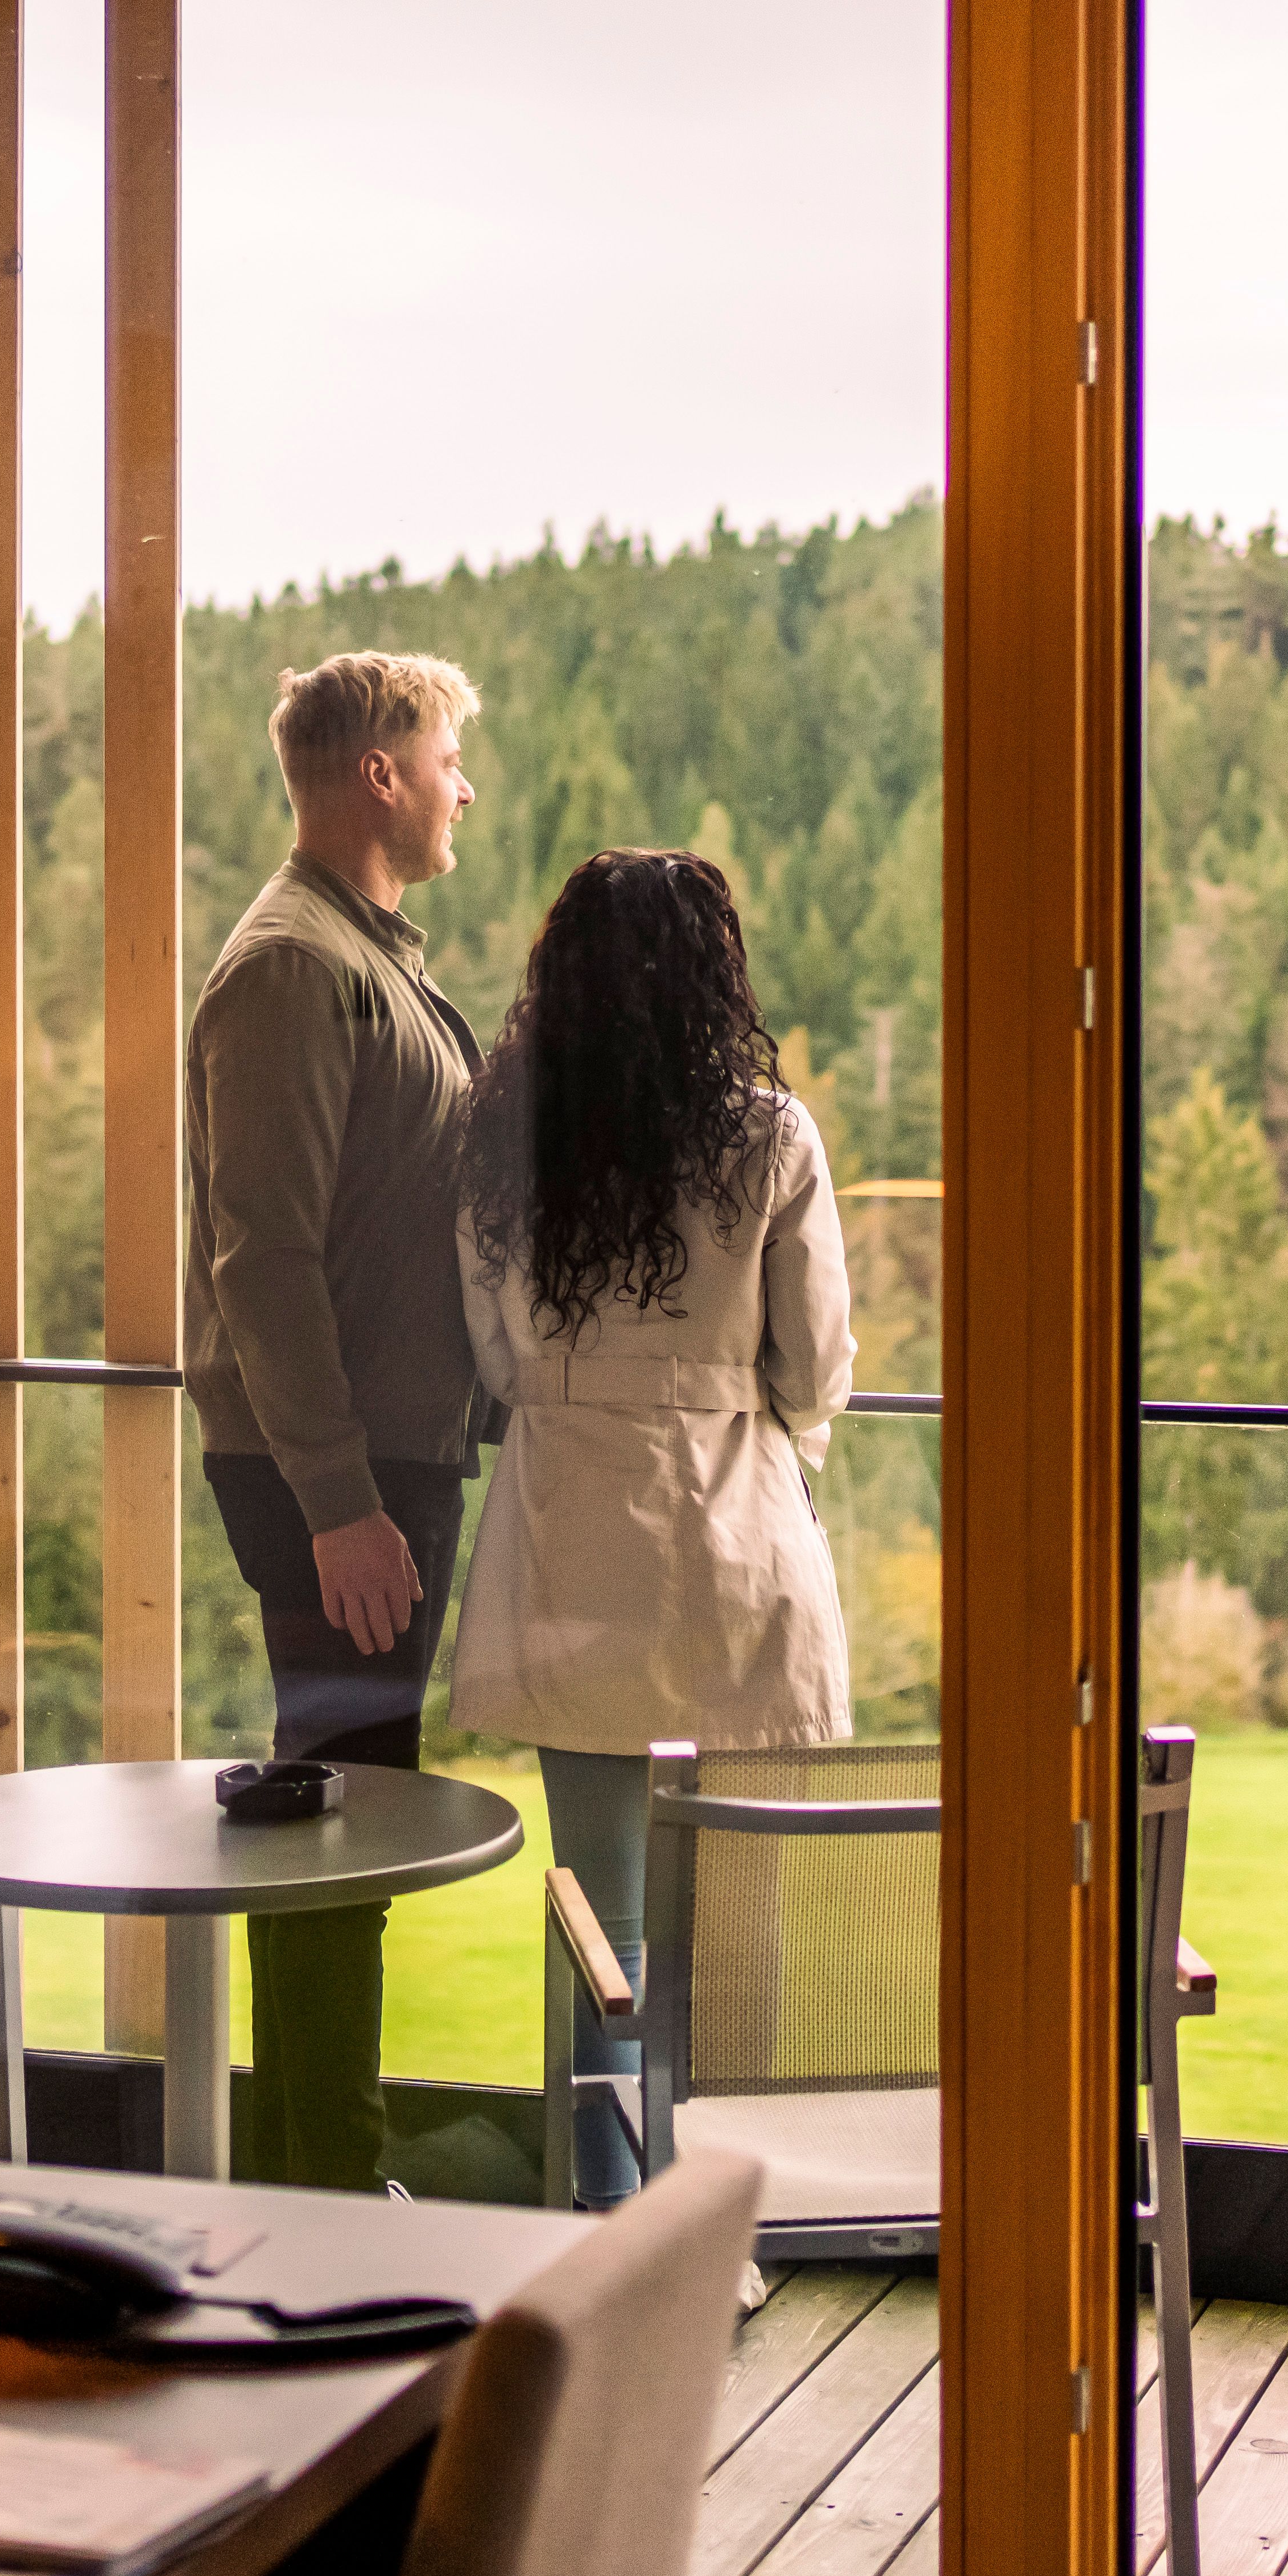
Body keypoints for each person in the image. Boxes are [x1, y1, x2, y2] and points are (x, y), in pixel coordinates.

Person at [447, 848, 855, 2203]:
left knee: (596, 1914)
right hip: (732, 1542)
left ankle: (604, 2203)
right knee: (740, 1925)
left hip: (572, 1537)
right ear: (712, 977)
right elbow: (813, 1367)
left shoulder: (509, 1145)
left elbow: (498, 1362)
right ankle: (719, 2218)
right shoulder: (768, 1137)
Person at [185, 650, 488, 2191]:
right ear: (380, 772)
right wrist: (339, 1498)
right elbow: (266, 1257)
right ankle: (329, 2183)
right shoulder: (295, 971)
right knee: (336, 1825)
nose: (463, 788)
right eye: (447, 759)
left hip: (376, 1461)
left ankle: (318, 2167)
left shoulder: (357, 953)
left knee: (334, 1814)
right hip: (344, 1476)